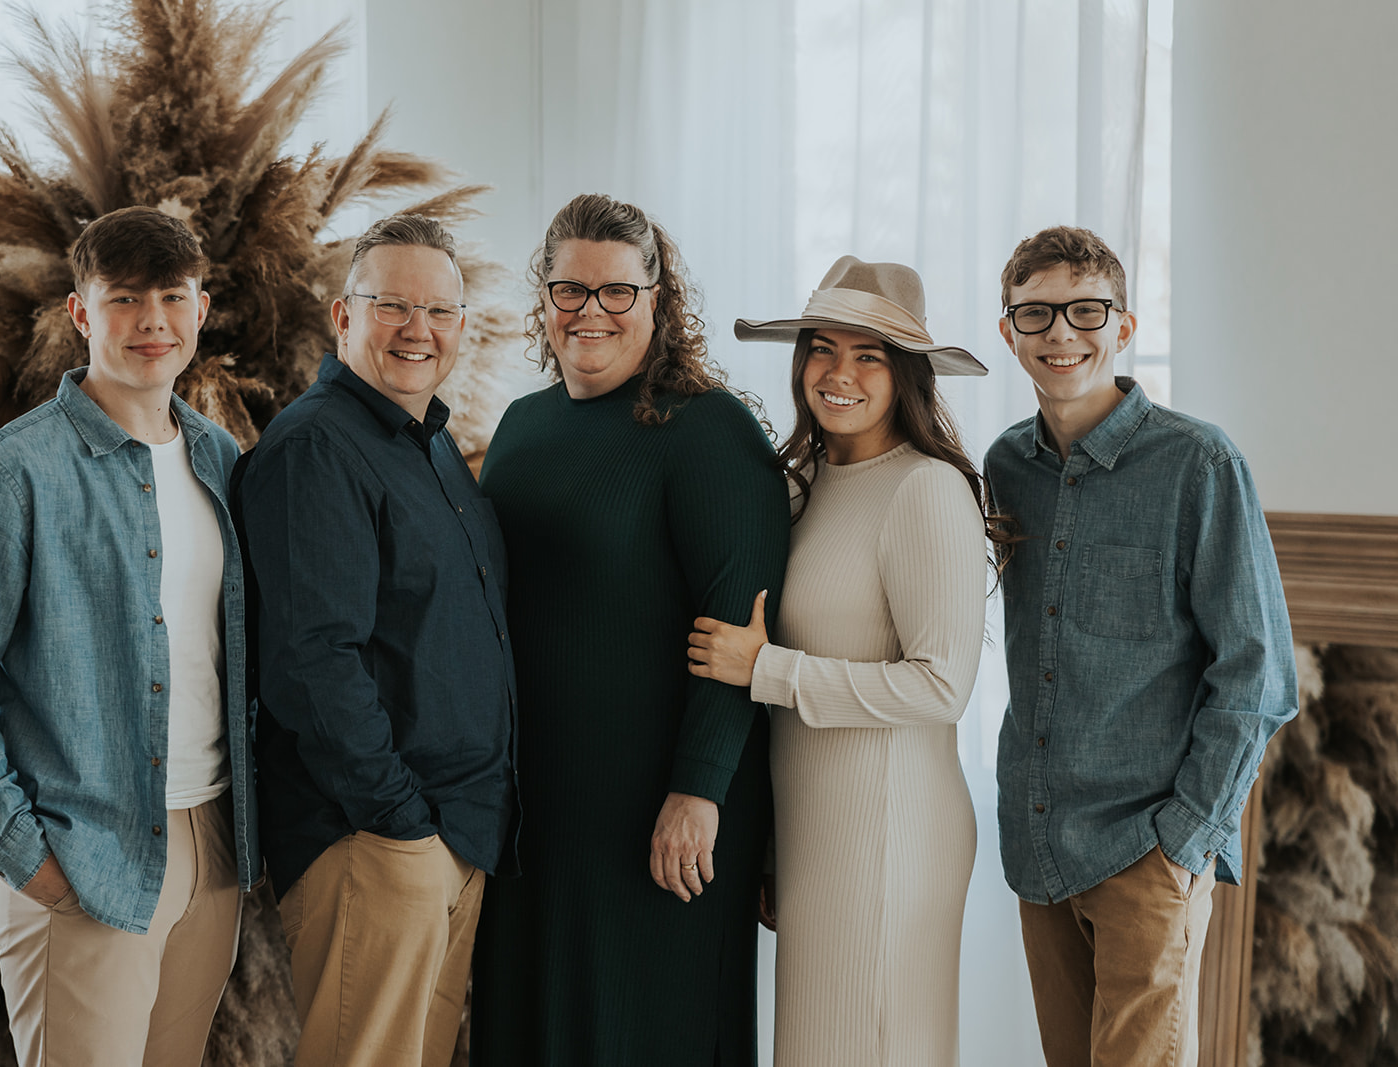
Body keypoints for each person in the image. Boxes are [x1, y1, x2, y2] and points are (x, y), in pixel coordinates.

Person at [0, 205, 259, 1066]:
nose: (151, 322)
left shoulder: (223, 461)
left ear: (201, 311)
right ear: (80, 313)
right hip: (83, 855)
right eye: (124, 298)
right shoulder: (7, 472)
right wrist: (32, 861)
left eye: (172, 297)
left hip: (211, 840)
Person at [468, 193, 790, 1066]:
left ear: (658, 297)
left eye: (617, 291)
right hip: (537, 801)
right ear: (543, 297)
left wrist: (698, 790)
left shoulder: (710, 430)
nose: (591, 312)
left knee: (648, 1029)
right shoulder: (523, 424)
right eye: (570, 289)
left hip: (659, 805)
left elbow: (741, 629)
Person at [985, 225, 1296, 1065]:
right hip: (1040, 841)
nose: (1060, 333)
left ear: (1123, 328)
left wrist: (1185, 841)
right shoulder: (1004, 467)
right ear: (1006, 330)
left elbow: (1260, 674)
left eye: (1087, 311)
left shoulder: (1198, 463)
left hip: (1144, 849)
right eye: (1036, 313)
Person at [689, 257, 996, 1065]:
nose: (839, 373)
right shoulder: (804, 485)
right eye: (823, 348)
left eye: (869, 355)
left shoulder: (926, 491)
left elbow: (942, 685)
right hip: (818, 830)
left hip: (894, 832)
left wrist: (768, 669)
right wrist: (774, 845)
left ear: (907, 374)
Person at [233, 213, 517, 1067]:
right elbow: (313, 663)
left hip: (451, 837)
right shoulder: (317, 447)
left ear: (463, 327)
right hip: (377, 842)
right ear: (343, 316)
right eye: (393, 305)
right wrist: (400, 826)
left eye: (439, 312)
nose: (418, 330)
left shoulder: (427, 446)